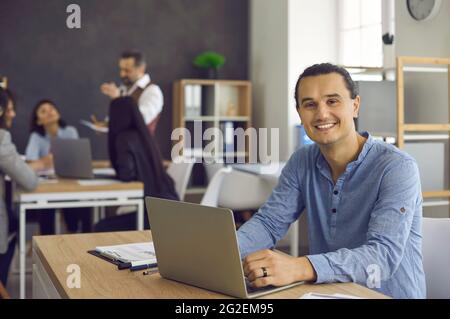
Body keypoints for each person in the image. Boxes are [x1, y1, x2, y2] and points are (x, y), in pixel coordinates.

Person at [237, 63, 426, 299]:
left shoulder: (397, 167)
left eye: (332, 101)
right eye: (310, 104)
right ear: (299, 113)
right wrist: (221, 254)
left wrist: (299, 267)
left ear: (355, 106)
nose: (322, 113)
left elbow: (382, 256)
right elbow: (269, 223)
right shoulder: (301, 161)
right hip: (325, 294)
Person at [94, 96, 178, 232]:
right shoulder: (146, 137)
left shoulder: (123, 139)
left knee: (100, 227)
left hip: (154, 216)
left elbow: (126, 175)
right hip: (171, 209)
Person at [25, 99, 91, 234]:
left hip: (70, 183)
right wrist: (45, 161)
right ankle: (46, 240)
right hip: (47, 187)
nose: (49, 112)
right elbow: (30, 162)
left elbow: (78, 159)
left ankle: (74, 233)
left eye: (51, 108)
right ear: (38, 121)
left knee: (76, 205)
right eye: (43, 111)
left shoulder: (70, 131)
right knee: (45, 207)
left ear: (58, 113)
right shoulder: (36, 137)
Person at [0, 87, 38, 286]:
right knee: (13, 224)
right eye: (10, 109)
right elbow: (29, 180)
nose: (13, 114)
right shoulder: (1, 138)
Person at [98, 50, 163, 135]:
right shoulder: (123, 89)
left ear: (141, 69)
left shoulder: (152, 91)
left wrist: (118, 100)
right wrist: (105, 125)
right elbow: (118, 121)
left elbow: (140, 120)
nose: (122, 74)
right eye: (121, 69)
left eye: (127, 70)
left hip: (140, 147)